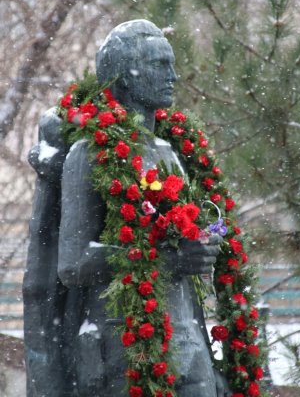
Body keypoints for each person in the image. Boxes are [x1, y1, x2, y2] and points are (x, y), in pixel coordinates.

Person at [26, 20, 229, 396]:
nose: (173, 75)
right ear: (125, 77)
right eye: (158, 65)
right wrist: (168, 260)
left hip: (189, 346)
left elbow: (186, 262)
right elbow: (73, 264)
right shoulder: (91, 154)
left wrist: (201, 251)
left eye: (171, 63)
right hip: (126, 347)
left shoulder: (174, 152)